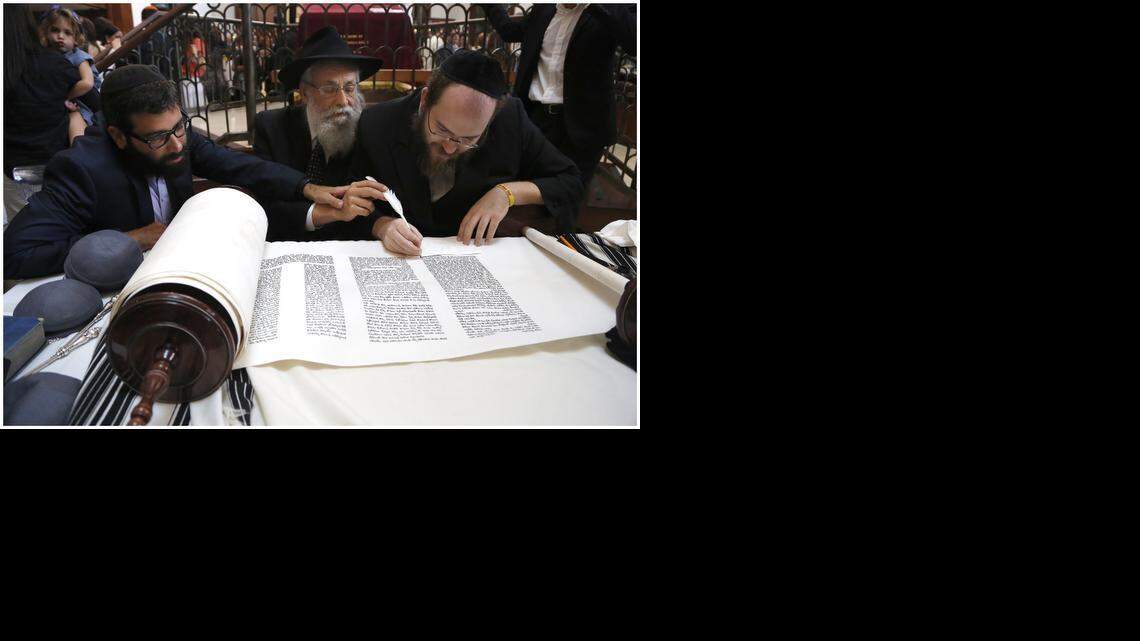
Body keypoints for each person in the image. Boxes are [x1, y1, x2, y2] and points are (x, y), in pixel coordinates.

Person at [4, 65, 348, 279]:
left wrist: (307, 188)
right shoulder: (82, 168)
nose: (177, 146)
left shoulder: (177, 138)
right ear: (118, 136)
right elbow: (16, 254)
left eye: (180, 127)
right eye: (157, 137)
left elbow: (243, 166)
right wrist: (130, 240)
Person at [352, 50, 582, 255]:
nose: (450, 147)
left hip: (475, 256)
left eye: (469, 139)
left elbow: (569, 181)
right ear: (424, 101)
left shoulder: (511, 120)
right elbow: (350, 198)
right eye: (442, 129)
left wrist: (506, 193)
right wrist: (382, 225)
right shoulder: (377, 124)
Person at [253, 26, 386, 241]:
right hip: (285, 246)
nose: (343, 101)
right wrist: (327, 213)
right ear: (304, 93)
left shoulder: (366, 129)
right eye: (330, 89)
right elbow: (265, 207)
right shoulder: (271, 127)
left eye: (350, 88)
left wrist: (381, 224)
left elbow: (373, 204)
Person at [485, 3, 636, 188]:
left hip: (582, 128)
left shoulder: (606, 11)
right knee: (524, 185)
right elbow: (509, 31)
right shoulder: (544, 10)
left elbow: (633, 41)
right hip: (536, 117)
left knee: (567, 196)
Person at [4, 4, 81, 225]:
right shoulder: (57, 64)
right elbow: (94, 99)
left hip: (12, 168)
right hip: (56, 165)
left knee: (18, 233)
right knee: (59, 230)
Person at [39, 8, 101, 143]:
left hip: (82, 101)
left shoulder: (79, 57)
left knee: (75, 119)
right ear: (46, 32)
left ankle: (78, 151)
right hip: (66, 99)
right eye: (55, 30)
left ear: (76, 39)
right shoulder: (48, 55)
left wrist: (65, 97)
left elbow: (87, 83)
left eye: (67, 33)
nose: (60, 36)